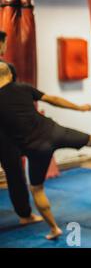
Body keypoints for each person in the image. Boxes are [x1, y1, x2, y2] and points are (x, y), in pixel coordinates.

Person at [0, 62, 91, 239]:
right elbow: (54, 100)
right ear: (10, 75)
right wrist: (80, 108)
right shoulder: (24, 88)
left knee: (37, 189)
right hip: (54, 132)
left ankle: (54, 228)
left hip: (36, 148)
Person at [0, 30, 42, 225]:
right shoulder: (7, 69)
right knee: (15, 174)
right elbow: (13, 99)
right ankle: (25, 215)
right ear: (1, 45)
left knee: (15, 173)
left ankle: (25, 214)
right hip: (6, 132)